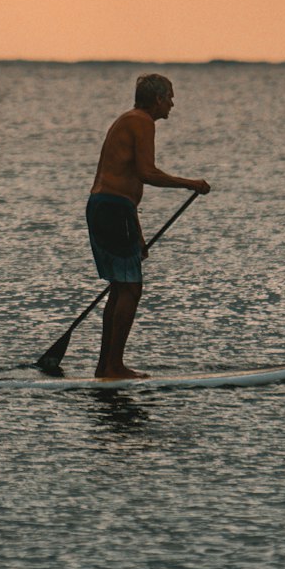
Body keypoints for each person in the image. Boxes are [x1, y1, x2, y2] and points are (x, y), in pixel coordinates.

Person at [87, 73, 210, 379]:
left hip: (108, 208)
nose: (172, 103)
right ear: (157, 99)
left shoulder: (128, 119)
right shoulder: (142, 121)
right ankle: (113, 366)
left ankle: (106, 366)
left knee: (120, 288)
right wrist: (189, 183)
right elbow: (146, 173)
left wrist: (138, 235)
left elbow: (127, 185)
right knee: (131, 289)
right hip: (113, 210)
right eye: (169, 96)